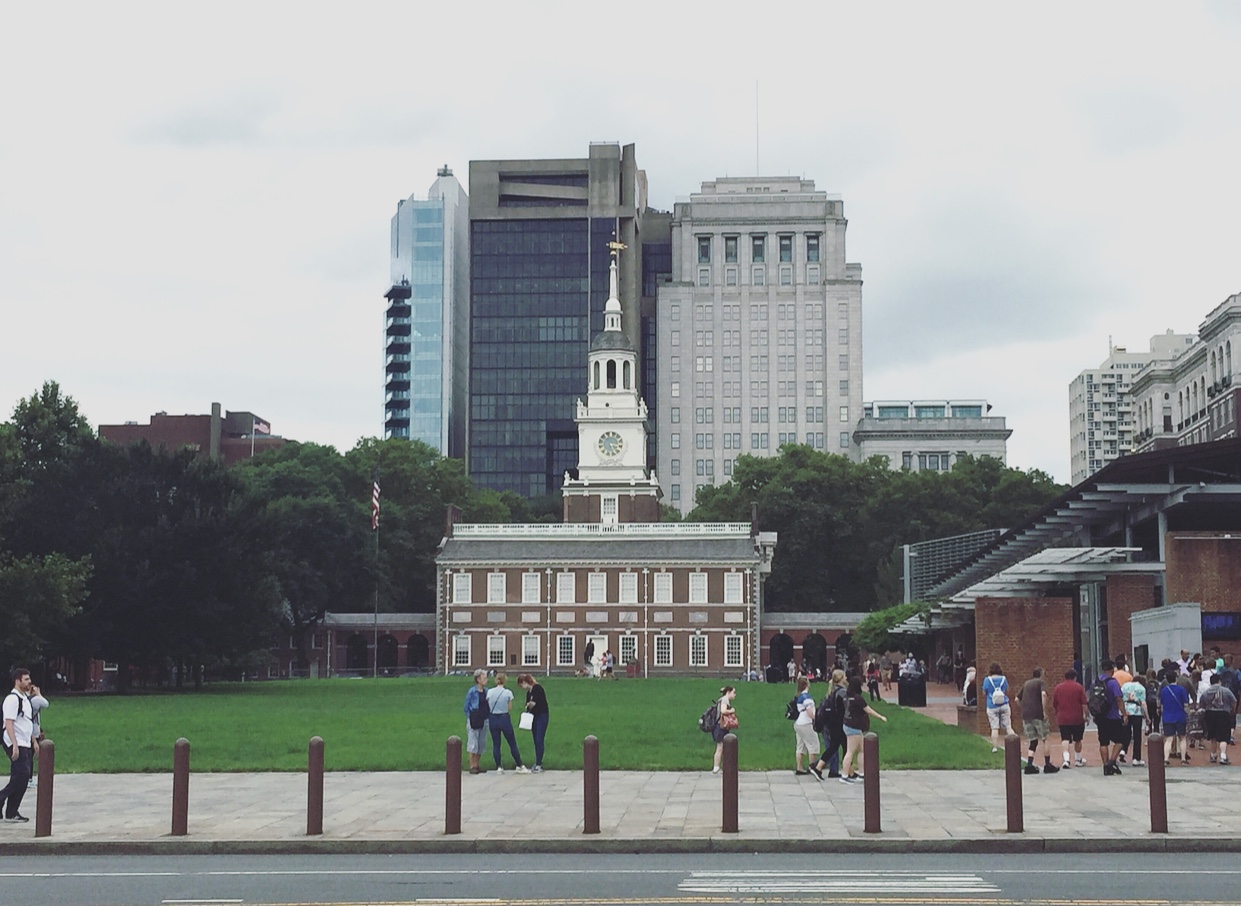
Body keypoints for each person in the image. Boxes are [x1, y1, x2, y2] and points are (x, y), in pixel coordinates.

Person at [0, 667, 35, 822]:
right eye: (26, 679)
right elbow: (9, 722)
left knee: (22, 776)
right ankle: (3, 800)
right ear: (17, 681)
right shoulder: (12, 699)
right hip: (15, 742)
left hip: (25, 742)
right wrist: (14, 744)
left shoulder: (25, 699)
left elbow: (27, 721)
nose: (29, 681)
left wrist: (34, 740)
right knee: (22, 774)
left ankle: (11, 812)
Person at [839, 675, 887, 783]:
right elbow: (868, 710)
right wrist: (880, 717)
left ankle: (862, 773)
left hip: (847, 724)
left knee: (862, 750)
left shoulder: (846, 697)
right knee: (850, 751)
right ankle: (844, 775)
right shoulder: (857, 698)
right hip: (854, 726)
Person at [1016, 667, 1058, 774]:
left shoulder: (1026, 684)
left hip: (1026, 716)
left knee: (1033, 740)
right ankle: (1047, 764)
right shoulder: (1041, 683)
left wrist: (1024, 707)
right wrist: (1043, 711)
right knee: (1045, 738)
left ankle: (1029, 764)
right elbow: (1043, 694)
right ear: (1041, 674)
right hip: (1038, 715)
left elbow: (1017, 699)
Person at [485, 673, 527, 774]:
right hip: (504, 718)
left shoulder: (490, 692)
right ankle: (519, 764)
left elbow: (488, 705)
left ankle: (499, 766)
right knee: (512, 742)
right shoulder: (508, 693)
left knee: (496, 743)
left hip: (493, 718)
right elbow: (509, 708)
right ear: (505, 681)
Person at [811, 669, 848, 780]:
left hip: (832, 724)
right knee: (844, 747)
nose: (846, 678)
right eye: (844, 677)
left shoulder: (832, 692)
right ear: (841, 679)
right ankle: (818, 767)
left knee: (836, 747)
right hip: (839, 724)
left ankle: (818, 767)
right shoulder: (842, 692)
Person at [1095, 659, 1128, 776]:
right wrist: (1124, 713)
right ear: (1111, 669)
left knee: (1103, 742)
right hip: (1112, 716)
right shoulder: (1113, 682)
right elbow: (1118, 698)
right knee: (1121, 740)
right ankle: (1111, 761)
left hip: (1100, 716)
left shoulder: (1097, 680)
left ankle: (1105, 766)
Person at [1052, 668, 1089, 768]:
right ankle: (1078, 759)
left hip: (1063, 718)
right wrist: (1087, 715)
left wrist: (1058, 712)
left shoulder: (1058, 688)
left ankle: (1066, 760)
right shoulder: (1079, 687)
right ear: (1075, 677)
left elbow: (1055, 703)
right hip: (1077, 718)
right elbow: (1084, 703)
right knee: (1078, 739)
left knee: (1065, 739)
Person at [1199, 673, 1237, 765]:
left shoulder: (1206, 692)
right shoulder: (1226, 690)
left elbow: (1202, 703)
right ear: (1219, 681)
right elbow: (1234, 701)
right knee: (1224, 736)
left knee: (1213, 736)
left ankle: (1213, 754)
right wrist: (1232, 710)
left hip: (1210, 714)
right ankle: (1223, 756)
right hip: (1223, 713)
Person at [515, 674, 549, 772]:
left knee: (539, 739)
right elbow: (528, 704)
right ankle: (537, 762)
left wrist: (530, 704)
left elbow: (536, 702)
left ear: (524, 682)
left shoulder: (537, 689)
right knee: (535, 740)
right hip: (533, 716)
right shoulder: (528, 693)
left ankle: (539, 763)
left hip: (541, 715)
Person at [1120, 669, 1150, 767]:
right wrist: (1147, 717)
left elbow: (1120, 698)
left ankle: (1123, 750)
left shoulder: (1125, 686)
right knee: (1137, 735)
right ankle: (1136, 758)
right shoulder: (1141, 688)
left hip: (1125, 710)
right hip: (1136, 712)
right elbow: (1143, 703)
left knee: (1125, 732)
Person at [1159, 674, 1191, 766]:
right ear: (1176, 678)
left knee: (1168, 739)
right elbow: (1185, 704)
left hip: (1167, 717)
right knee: (1182, 738)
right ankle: (1183, 759)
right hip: (1180, 716)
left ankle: (1166, 759)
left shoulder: (1164, 690)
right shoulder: (1181, 690)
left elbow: (1161, 705)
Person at [463, 669, 490, 775]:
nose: (486, 679)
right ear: (478, 679)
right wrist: (470, 716)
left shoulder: (487, 691)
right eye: (484, 677)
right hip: (474, 718)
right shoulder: (472, 691)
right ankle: (472, 765)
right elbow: (466, 706)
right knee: (473, 742)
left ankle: (477, 765)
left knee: (481, 743)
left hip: (485, 718)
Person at [981, 663, 1012, 754]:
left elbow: (984, 692)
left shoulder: (987, 680)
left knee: (994, 728)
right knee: (1008, 726)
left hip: (992, 706)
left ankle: (995, 747)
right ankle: (1014, 744)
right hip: (1004, 704)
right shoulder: (1004, 679)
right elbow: (1007, 690)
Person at [791, 677, 819, 777]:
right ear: (807, 684)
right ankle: (813, 767)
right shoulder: (807, 697)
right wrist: (816, 719)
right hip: (806, 723)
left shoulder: (799, 696)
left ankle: (799, 767)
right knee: (813, 746)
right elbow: (810, 711)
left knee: (800, 746)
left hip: (798, 723)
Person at [711, 686, 737, 774]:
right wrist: (732, 710)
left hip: (721, 727)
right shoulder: (725, 700)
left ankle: (719, 766)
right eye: (733, 692)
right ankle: (716, 767)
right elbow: (723, 711)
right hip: (720, 727)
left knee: (722, 748)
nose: (735, 695)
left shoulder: (722, 699)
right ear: (728, 692)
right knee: (720, 747)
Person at [27, 683, 47, 789]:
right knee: (30, 755)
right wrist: (39, 694)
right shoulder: (35, 700)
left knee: (29, 755)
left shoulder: (26, 699)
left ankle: (28, 778)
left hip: (30, 730)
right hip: (33, 731)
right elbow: (46, 704)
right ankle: (29, 779)